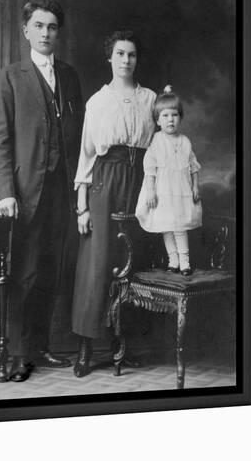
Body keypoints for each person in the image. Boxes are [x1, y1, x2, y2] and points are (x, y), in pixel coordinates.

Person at [0, 0, 83, 382]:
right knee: (24, 274)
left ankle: (40, 346)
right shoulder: (11, 76)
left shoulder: (71, 76)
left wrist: (81, 190)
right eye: (39, 26)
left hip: (62, 190)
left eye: (52, 27)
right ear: (26, 30)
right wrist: (5, 191)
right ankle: (17, 355)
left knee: (51, 272)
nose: (46, 33)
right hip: (26, 193)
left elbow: (79, 137)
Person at [72, 30, 157, 377]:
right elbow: (87, 154)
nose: (126, 60)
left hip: (140, 182)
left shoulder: (151, 99)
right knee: (97, 263)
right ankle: (86, 348)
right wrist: (83, 205)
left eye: (132, 54)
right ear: (109, 58)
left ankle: (125, 344)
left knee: (134, 263)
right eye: (120, 54)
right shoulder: (97, 101)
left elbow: (161, 145)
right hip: (106, 182)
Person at [135, 86, 202, 276]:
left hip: (181, 192)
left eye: (174, 115)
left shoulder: (185, 141)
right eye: (165, 116)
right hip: (163, 191)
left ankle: (185, 262)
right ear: (157, 120)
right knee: (166, 228)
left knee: (179, 227)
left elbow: (194, 166)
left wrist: (196, 187)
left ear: (180, 117)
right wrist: (150, 192)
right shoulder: (155, 141)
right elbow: (150, 169)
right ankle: (173, 259)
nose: (170, 120)